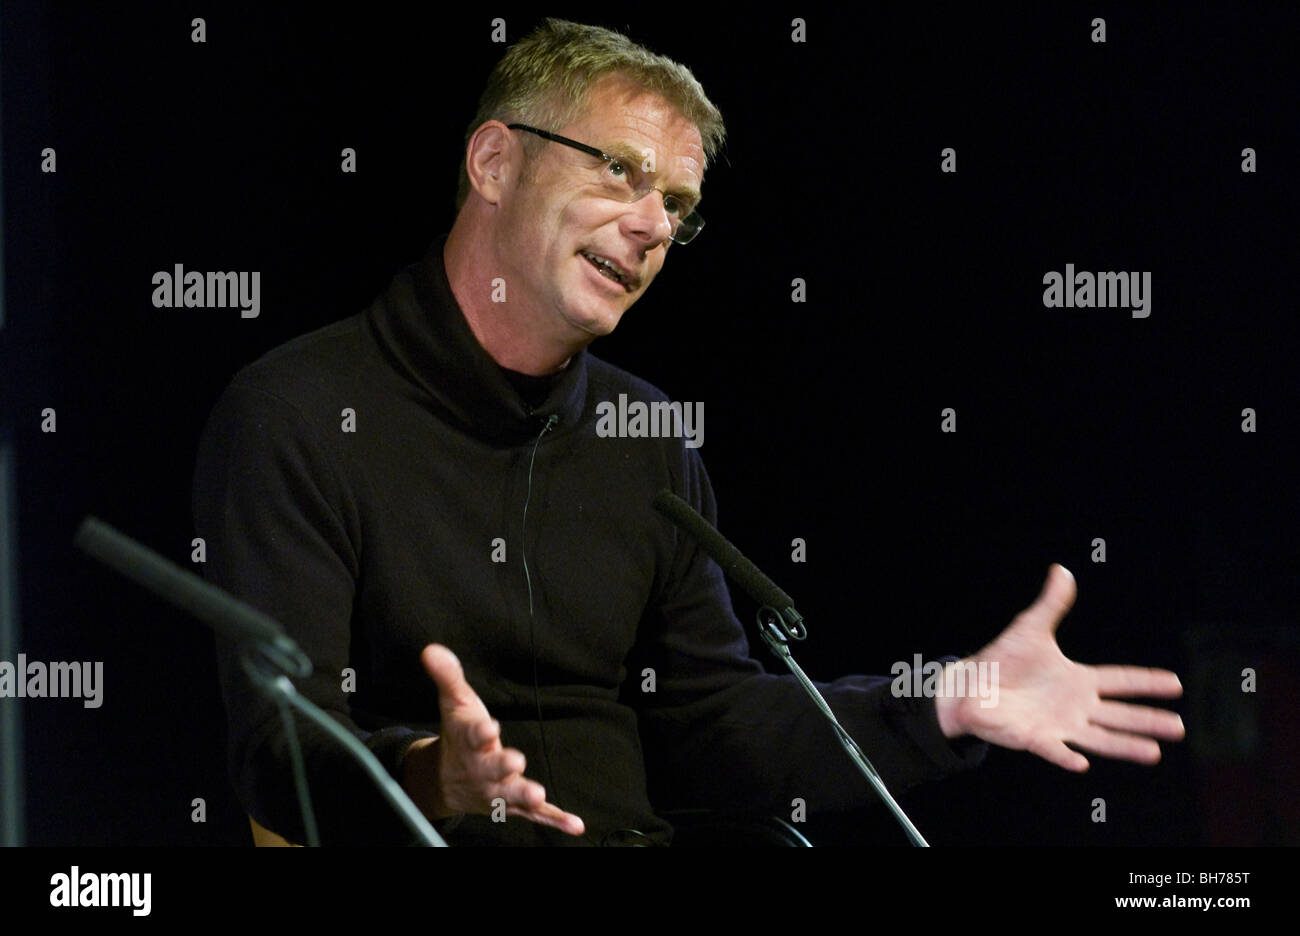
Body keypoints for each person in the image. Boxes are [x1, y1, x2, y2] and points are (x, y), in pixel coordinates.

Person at [192, 18, 1184, 846]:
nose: (653, 225)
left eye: (677, 204)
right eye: (621, 172)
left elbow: (710, 724)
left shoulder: (643, 434)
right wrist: (426, 774)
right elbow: (279, 751)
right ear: (495, 161)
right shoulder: (300, 412)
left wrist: (942, 704)